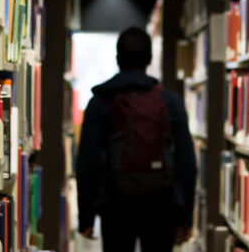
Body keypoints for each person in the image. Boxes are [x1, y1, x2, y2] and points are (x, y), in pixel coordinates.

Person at [76, 27, 198, 252]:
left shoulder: (100, 102)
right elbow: (187, 163)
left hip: (115, 205)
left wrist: (86, 218)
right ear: (149, 59)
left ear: (117, 59)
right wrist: (186, 216)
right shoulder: (170, 102)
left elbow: (87, 163)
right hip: (163, 204)